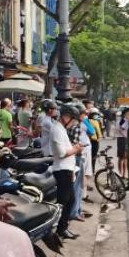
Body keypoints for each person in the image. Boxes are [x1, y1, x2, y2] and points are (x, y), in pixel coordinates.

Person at [46, 101, 82, 240]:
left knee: (69, 200)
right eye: (74, 120)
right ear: (67, 117)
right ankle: (60, 229)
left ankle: (62, 228)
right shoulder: (57, 130)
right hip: (62, 170)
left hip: (66, 169)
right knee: (65, 201)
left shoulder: (60, 129)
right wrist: (76, 149)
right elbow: (61, 153)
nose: (74, 124)